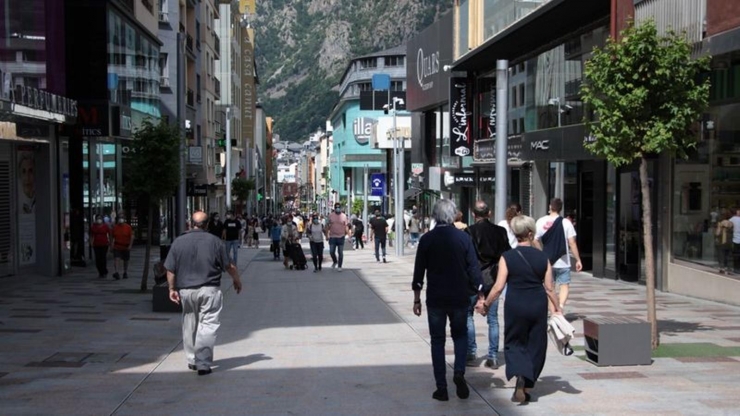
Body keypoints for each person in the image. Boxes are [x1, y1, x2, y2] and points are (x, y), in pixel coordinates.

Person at [477, 215, 561, 403]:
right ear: (530, 233)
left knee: (514, 341)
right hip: (537, 303)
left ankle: (520, 376)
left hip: (515, 304)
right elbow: (549, 288)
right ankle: (527, 381)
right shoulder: (543, 257)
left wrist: (486, 304)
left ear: (516, 234)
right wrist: (557, 308)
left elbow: (498, 287)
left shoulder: (507, 257)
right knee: (536, 343)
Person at [412, 199, 482, 402]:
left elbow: (419, 272)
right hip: (459, 296)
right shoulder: (463, 238)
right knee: (460, 336)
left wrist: (416, 299)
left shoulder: (427, 239)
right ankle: (459, 372)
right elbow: (473, 268)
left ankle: (441, 388)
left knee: (437, 340)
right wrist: (481, 294)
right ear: (453, 216)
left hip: (435, 297)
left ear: (435, 216)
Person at [164, 211, 242, 376]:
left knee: (189, 324)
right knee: (207, 325)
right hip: (209, 289)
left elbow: (170, 268)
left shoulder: (178, 242)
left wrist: (171, 288)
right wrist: (236, 280)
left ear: (190, 224)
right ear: (207, 225)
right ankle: (203, 363)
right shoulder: (215, 242)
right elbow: (228, 265)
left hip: (186, 290)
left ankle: (192, 359)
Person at [466, 200, 511, 369]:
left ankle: (471, 352)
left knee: (467, 316)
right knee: (493, 319)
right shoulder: (500, 231)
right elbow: (507, 254)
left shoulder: (468, 231)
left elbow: (466, 257)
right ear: (489, 213)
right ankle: (493, 355)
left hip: (472, 279)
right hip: (494, 278)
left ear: (473, 214)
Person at [535, 198, 582, 313]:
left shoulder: (540, 221)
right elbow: (572, 243)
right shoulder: (566, 222)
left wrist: (541, 253)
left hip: (547, 261)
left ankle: (553, 313)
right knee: (564, 285)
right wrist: (578, 260)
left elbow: (535, 240)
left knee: (550, 288)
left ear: (550, 207)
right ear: (560, 209)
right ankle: (560, 306)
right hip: (563, 260)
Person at [326, 203, 350, 271]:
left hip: (341, 236)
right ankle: (335, 261)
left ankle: (340, 266)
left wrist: (349, 236)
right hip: (332, 236)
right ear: (334, 208)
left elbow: (346, 226)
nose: (337, 208)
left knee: (340, 252)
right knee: (331, 251)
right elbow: (327, 226)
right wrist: (327, 235)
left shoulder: (344, 216)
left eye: (339, 207)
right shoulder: (330, 216)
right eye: (336, 207)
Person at [111, 215, 134, 279]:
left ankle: (125, 272)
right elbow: (112, 237)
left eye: (122, 218)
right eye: (119, 218)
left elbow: (131, 237)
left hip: (126, 246)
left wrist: (130, 245)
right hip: (117, 246)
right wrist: (111, 245)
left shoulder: (128, 227)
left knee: (126, 260)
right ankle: (117, 272)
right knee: (116, 259)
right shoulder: (115, 228)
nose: (121, 219)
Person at [90, 214, 112, 279]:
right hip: (96, 245)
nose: (99, 220)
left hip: (104, 244)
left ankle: (104, 271)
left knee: (103, 258)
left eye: (100, 218)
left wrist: (111, 243)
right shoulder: (93, 227)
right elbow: (91, 235)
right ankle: (100, 271)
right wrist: (91, 242)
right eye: (97, 218)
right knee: (97, 259)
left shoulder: (106, 226)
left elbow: (110, 235)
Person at [716, 209, 734, 274]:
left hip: (722, 240)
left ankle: (722, 268)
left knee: (721, 254)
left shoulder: (721, 223)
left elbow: (718, 233)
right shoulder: (731, 224)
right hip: (730, 241)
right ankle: (730, 268)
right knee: (729, 255)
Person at [730, 208, 740, 273]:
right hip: (736, 239)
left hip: (735, 239)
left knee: (736, 255)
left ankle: (736, 268)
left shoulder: (731, 220)